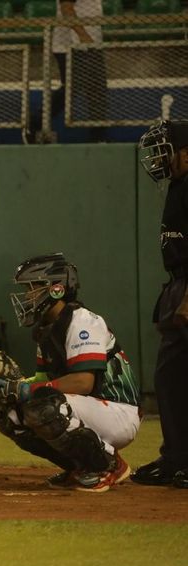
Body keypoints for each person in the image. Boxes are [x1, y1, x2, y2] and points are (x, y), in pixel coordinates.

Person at [0, 253, 141, 492]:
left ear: (56, 289)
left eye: (33, 288)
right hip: (88, 406)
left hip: (117, 411)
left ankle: (108, 465)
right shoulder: (47, 329)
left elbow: (84, 382)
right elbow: (44, 381)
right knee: (7, 413)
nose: (28, 295)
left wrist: (27, 390)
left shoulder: (82, 321)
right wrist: (9, 387)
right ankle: (82, 467)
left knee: (43, 405)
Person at [135, 120, 188, 489]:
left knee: (175, 378)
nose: (159, 157)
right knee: (169, 379)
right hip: (178, 282)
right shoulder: (178, 186)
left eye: (166, 149)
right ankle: (176, 459)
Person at [50, 0, 108, 142]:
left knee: (97, 90)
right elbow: (66, 8)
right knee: (71, 90)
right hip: (72, 46)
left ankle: (98, 137)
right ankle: (35, 123)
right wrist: (83, 35)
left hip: (91, 45)